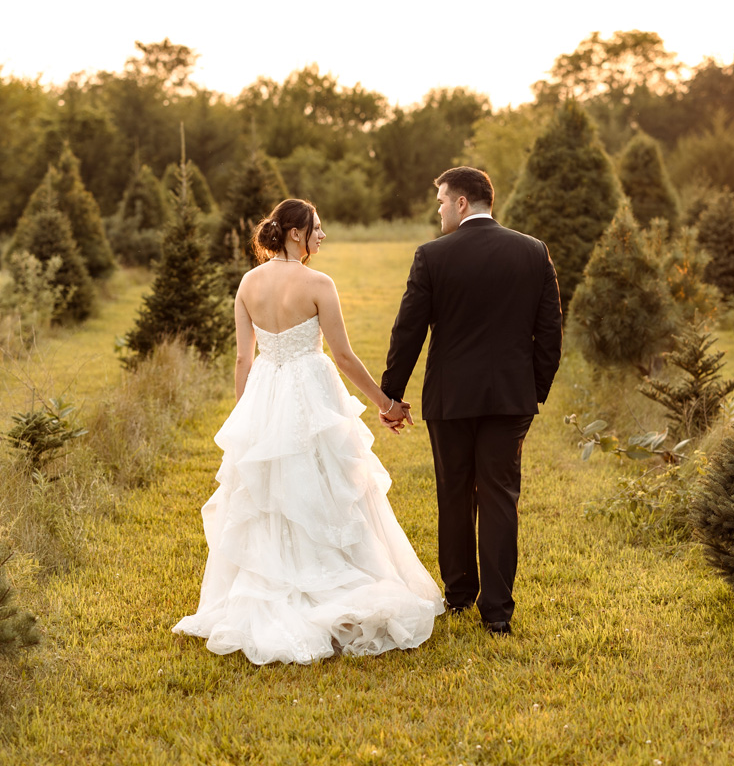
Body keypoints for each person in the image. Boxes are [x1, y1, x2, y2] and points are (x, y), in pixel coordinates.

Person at [173, 198, 443, 664]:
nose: (323, 236)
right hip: (310, 391)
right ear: (296, 233)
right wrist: (387, 404)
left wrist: (245, 418)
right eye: (317, 228)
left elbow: (243, 358)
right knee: (325, 486)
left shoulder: (247, 283)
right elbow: (343, 356)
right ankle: (329, 586)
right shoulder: (318, 283)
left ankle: (277, 584)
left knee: (272, 492)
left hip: (265, 391)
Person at [380, 166, 563, 636]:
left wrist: (392, 394)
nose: (438, 209)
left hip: (451, 397)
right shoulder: (533, 252)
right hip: (511, 398)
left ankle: (459, 596)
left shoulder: (433, 256)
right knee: (501, 498)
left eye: (441, 200)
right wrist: (532, 391)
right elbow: (550, 335)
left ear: (462, 203)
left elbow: (409, 330)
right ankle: (498, 612)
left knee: (455, 494)